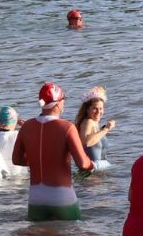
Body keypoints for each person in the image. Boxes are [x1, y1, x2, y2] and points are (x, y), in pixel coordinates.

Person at [12, 82, 94, 221]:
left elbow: (17, 160)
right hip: (61, 196)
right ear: (57, 104)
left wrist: (39, 160)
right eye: (63, 100)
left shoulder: (26, 127)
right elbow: (82, 163)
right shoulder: (67, 127)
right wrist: (93, 165)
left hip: (36, 197)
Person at [74, 86, 116, 172]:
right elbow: (87, 142)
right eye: (94, 108)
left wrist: (103, 129)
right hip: (90, 174)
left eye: (101, 109)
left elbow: (94, 138)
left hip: (97, 171)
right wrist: (106, 129)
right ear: (87, 109)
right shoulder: (88, 122)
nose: (98, 112)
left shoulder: (94, 122)